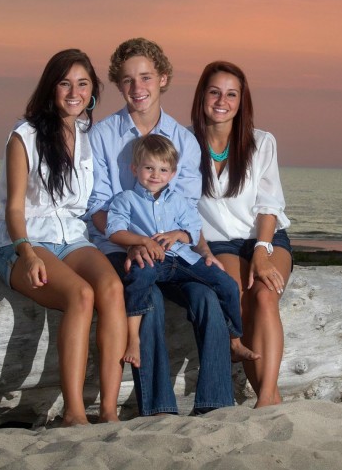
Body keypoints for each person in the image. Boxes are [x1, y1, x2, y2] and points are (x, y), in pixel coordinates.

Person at [86, 37, 234, 416]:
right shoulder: (101, 136)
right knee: (148, 299)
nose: (138, 88)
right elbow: (96, 206)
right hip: (120, 247)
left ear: (163, 78)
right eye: (128, 80)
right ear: (119, 85)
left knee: (207, 297)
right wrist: (134, 242)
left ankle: (215, 404)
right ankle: (159, 411)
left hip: (175, 253)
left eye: (146, 77)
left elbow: (186, 210)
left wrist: (204, 252)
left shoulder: (184, 141)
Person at [0, 49, 127, 426]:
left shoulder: (87, 136)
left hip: (72, 238)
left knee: (112, 287)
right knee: (81, 295)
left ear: (92, 91)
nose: (74, 92)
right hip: (24, 241)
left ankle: (109, 411)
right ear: (51, 88)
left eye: (83, 84)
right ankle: (74, 413)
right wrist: (27, 254)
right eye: (65, 83)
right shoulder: (24, 136)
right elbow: (15, 209)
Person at [190, 61, 294, 408]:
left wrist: (262, 251)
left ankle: (266, 396)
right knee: (237, 300)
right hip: (219, 242)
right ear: (202, 96)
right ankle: (271, 399)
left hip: (265, 236)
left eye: (231, 94)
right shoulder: (185, 143)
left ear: (241, 100)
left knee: (265, 295)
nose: (222, 101)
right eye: (215, 92)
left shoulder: (261, 142)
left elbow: (269, 204)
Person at [105, 135, 258, 368]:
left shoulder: (178, 201)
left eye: (163, 170)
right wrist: (143, 241)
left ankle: (235, 341)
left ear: (172, 174)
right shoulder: (126, 200)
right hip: (152, 260)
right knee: (139, 276)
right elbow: (114, 232)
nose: (155, 175)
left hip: (183, 259)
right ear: (135, 169)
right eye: (149, 168)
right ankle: (133, 339)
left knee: (227, 283)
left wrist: (178, 234)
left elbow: (193, 233)